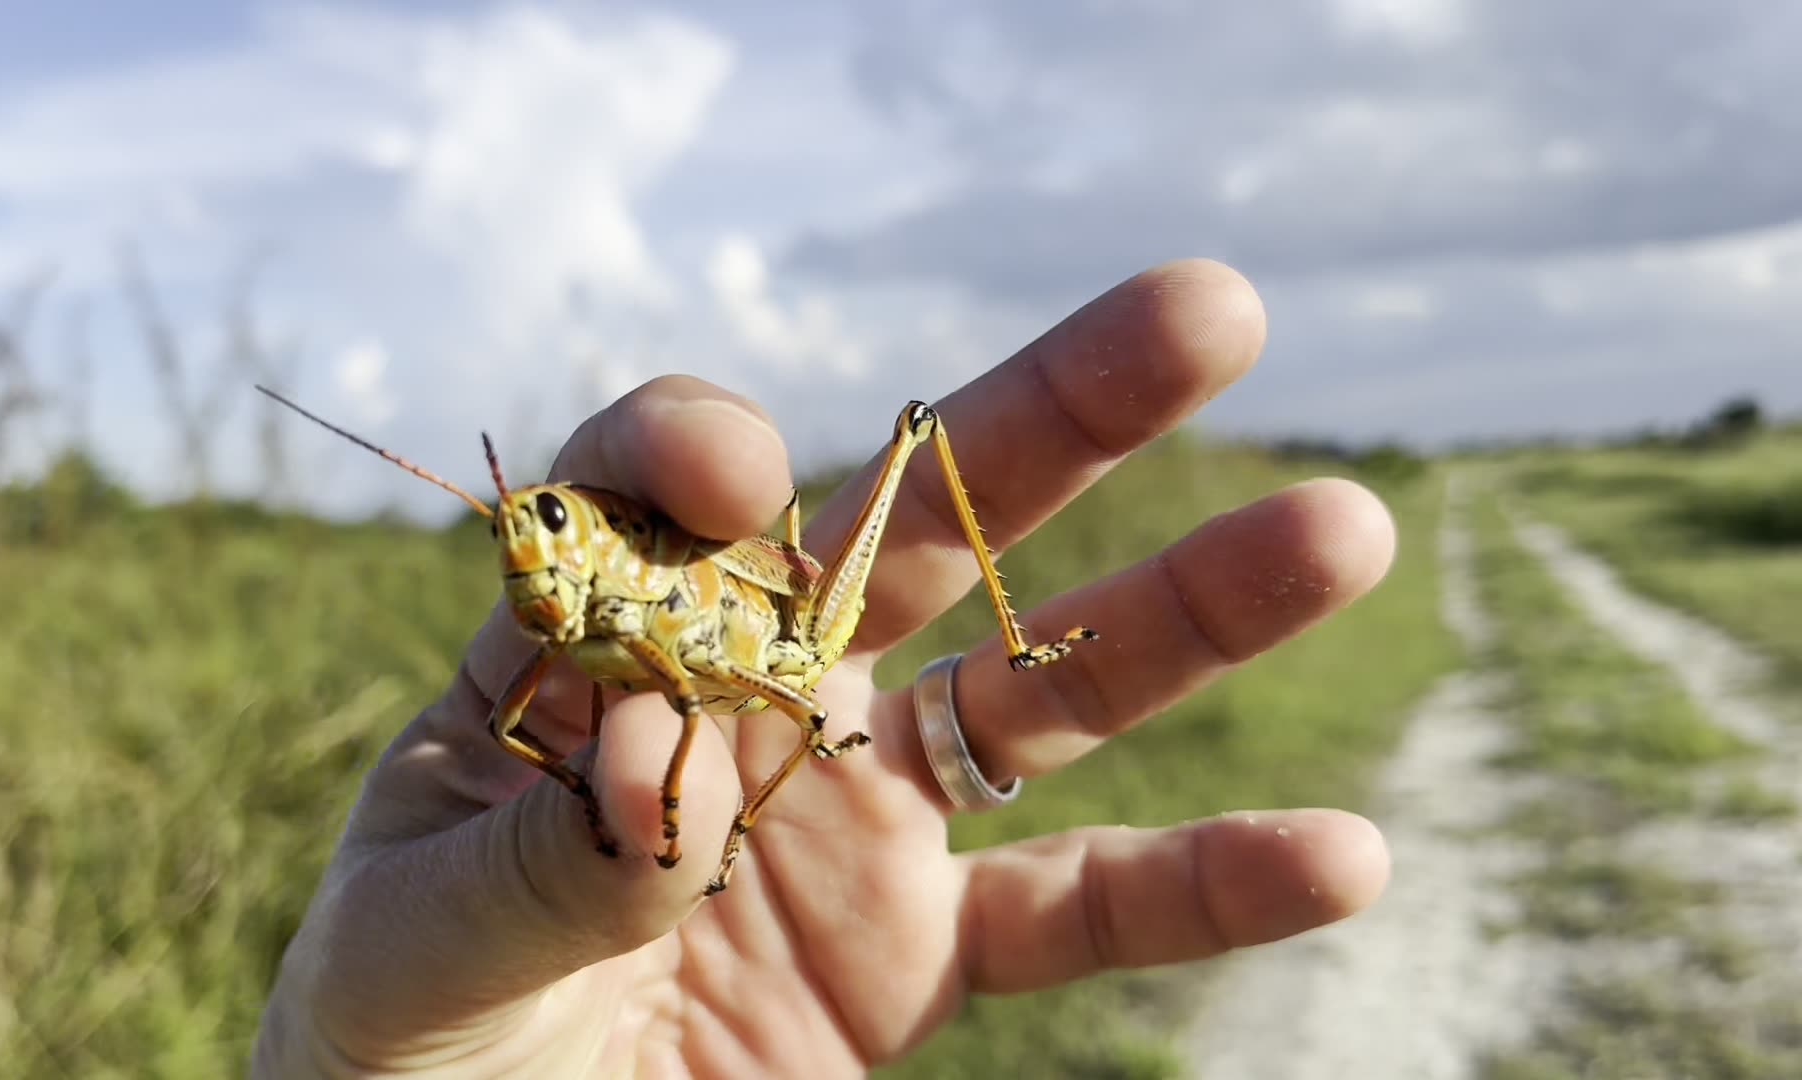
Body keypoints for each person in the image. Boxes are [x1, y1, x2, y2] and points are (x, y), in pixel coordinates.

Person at [251, 260, 1397, 1077]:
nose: (529, 562)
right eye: (508, 544)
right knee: (641, 728)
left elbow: (694, 673)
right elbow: (539, 721)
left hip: (789, 620)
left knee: (908, 438)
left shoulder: (658, 578)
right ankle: (735, 820)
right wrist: (573, 804)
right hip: (717, 722)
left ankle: (1020, 644)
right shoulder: (570, 643)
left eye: (541, 526)